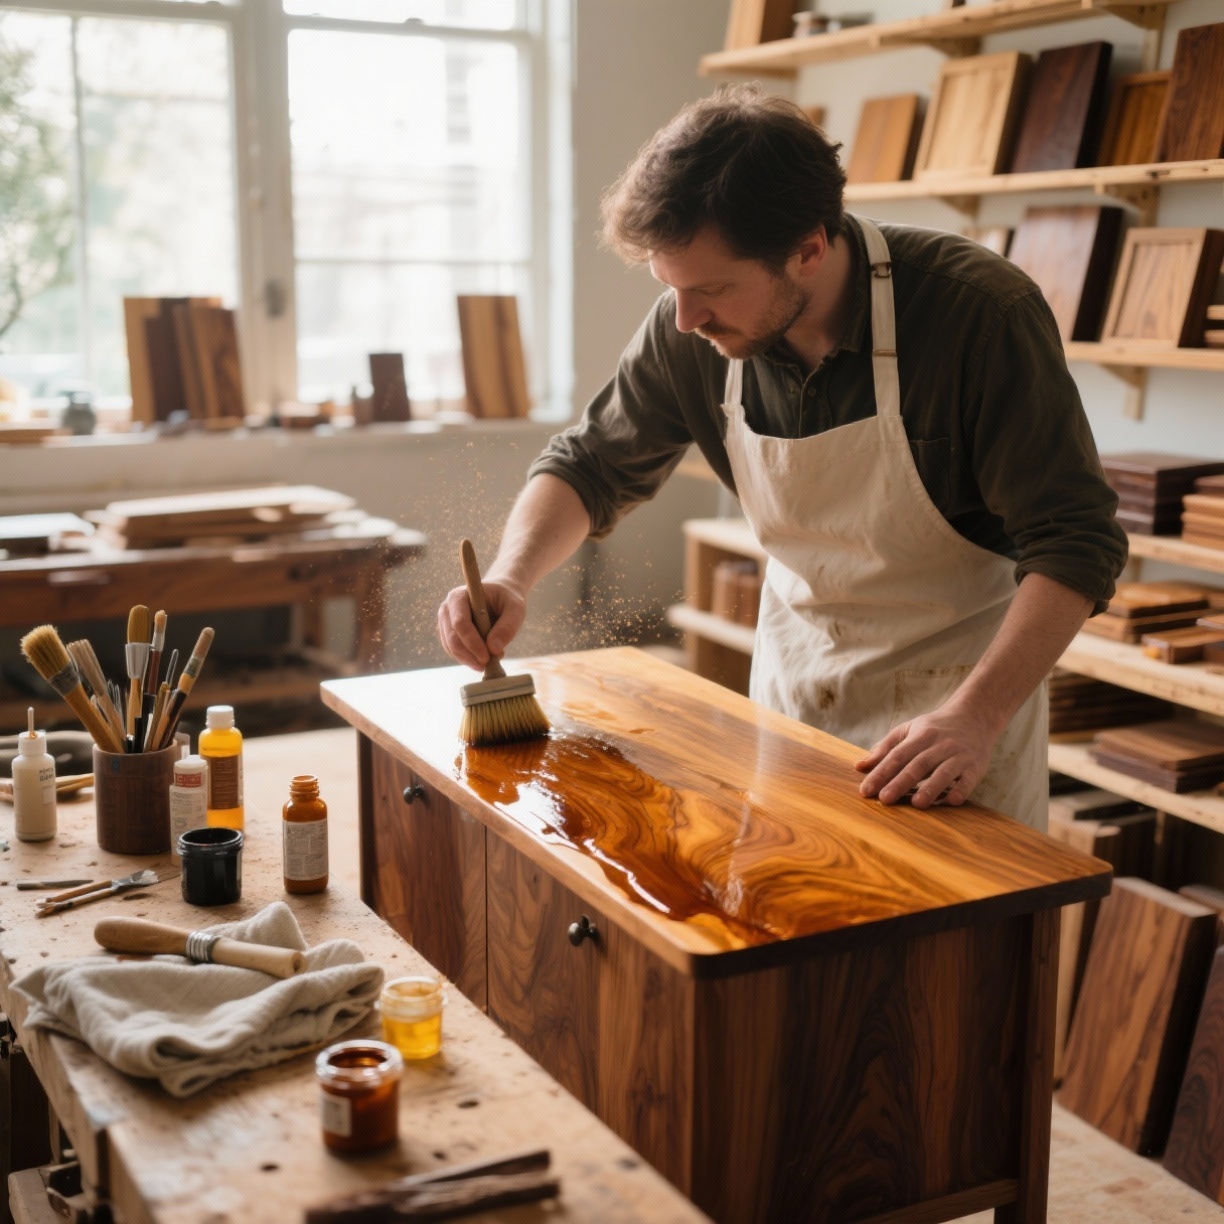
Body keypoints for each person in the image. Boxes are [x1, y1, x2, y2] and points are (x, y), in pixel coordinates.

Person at [437, 84, 1127, 830]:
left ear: (808, 248)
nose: (684, 318)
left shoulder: (978, 315)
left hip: (951, 727)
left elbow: (1076, 543)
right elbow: (588, 464)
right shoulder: (690, 325)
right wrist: (512, 574)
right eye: (668, 288)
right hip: (793, 698)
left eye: (710, 290)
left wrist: (976, 717)